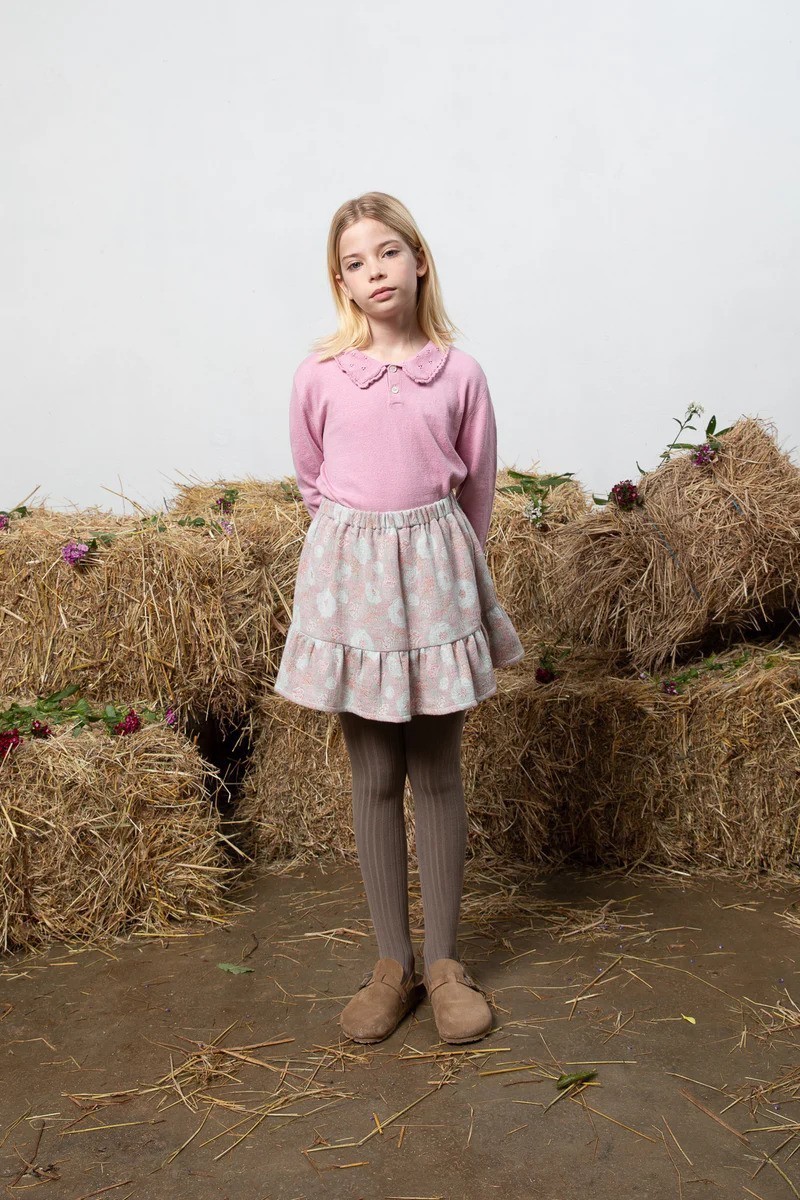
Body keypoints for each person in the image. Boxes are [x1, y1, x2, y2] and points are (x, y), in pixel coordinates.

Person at [273, 191, 525, 1045]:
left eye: (386, 252)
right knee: (375, 773)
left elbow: (477, 489)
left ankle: (447, 963)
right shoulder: (319, 375)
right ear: (340, 281)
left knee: (438, 770)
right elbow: (314, 482)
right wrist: (363, 559)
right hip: (354, 587)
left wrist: (443, 571)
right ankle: (393, 964)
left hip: (437, 578)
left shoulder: (459, 374)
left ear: (418, 261)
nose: (374, 271)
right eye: (354, 262)